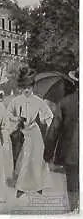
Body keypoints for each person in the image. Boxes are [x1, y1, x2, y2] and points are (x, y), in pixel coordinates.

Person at [7, 67, 53, 198]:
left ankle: (38, 185)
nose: (27, 90)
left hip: (34, 132)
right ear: (21, 87)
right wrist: (16, 119)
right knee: (25, 159)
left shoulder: (38, 101)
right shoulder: (16, 101)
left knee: (37, 158)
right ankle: (21, 187)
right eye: (24, 87)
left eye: (29, 87)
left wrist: (47, 124)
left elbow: (48, 116)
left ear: (33, 86)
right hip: (22, 133)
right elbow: (8, 114)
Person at [44, 69, 79, 212]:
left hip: (71, 152)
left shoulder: (65, 103)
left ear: (75, 83)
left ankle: (74, 209)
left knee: (72, 182)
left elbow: (54, 130)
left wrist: (48, 153)